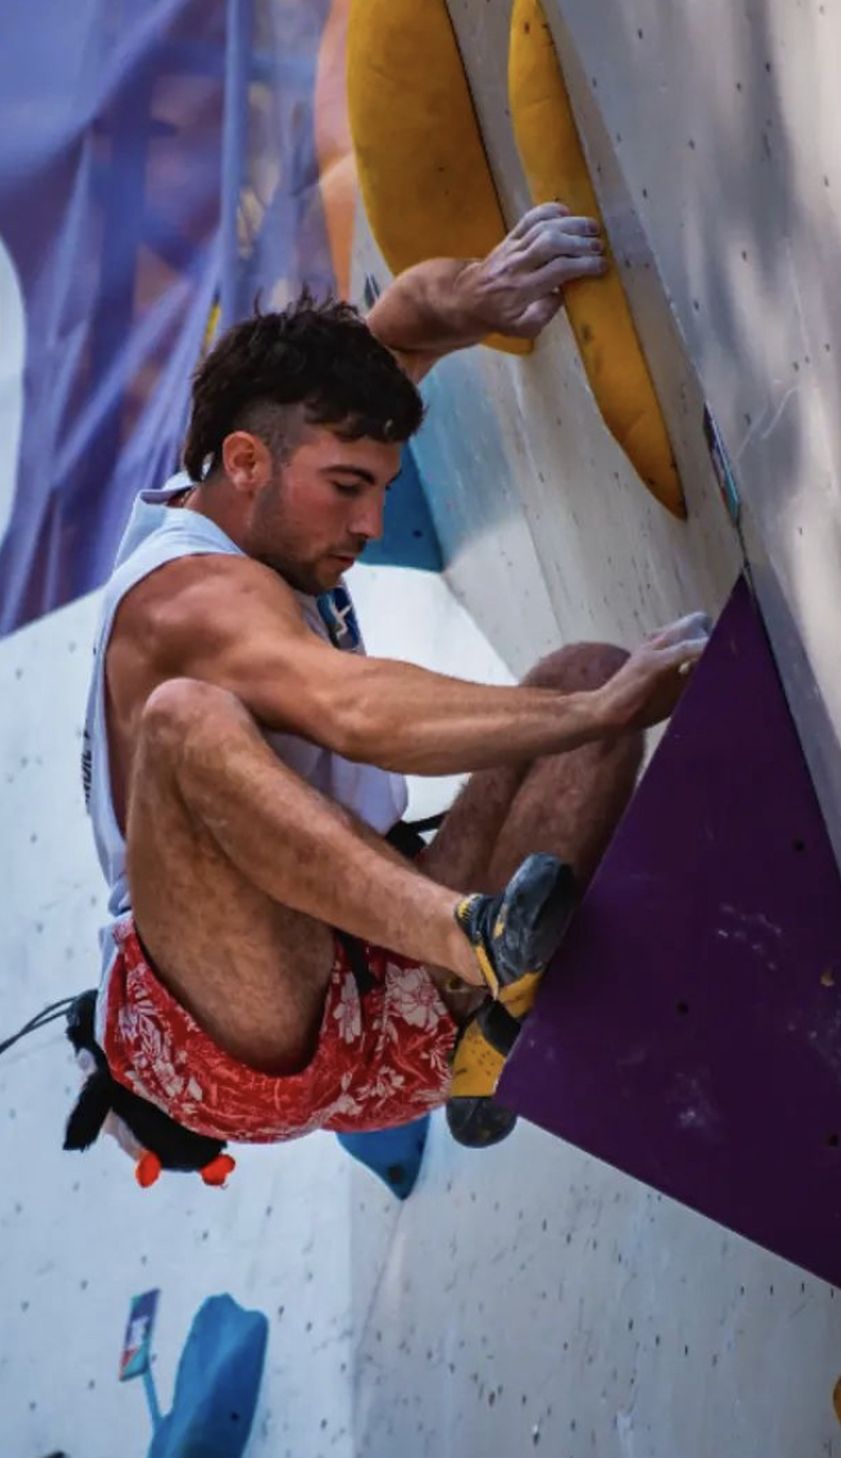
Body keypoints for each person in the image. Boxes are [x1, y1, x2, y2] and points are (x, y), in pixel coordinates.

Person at [79, 204, 711, 1165]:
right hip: (235, 1041)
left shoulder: (284, 455)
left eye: (383, 485)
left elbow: (403, 325)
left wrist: (485, 290)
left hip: (391, 998)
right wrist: (593, 715)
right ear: (244, 464)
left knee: (585, 675)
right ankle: (483, 954)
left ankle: (482, 1030)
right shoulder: (189, 597)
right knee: (185, 720)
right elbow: (351, 707)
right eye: (348, 488)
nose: (372, 521)